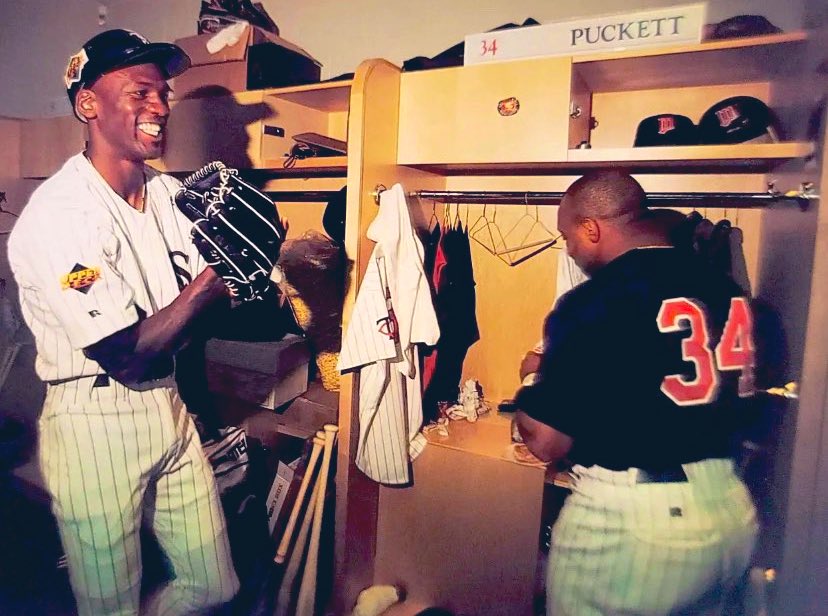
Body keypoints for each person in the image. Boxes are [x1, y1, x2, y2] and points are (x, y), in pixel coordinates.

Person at [8, 29, 242, 615]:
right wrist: (218, 277)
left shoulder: (167, 193)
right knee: (109, 607)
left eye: (163, 94)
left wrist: (247, 280)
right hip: (95, 419)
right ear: (89, 104)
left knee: (217, 586)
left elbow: (199, 308)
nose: (160, 107)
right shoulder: (60, 216)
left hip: (167, 403)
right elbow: (126, 352)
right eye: (140, 92)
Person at [514, 170, 759, 616]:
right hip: (731, 506)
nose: (569, 249)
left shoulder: (594, 299)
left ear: (591, 228)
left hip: (639, 518)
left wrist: (533, 382)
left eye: (568, 237)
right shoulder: (727, 288)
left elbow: (548, 440)